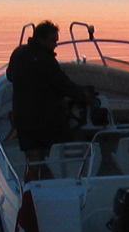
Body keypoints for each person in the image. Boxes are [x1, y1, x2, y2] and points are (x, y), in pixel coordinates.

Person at [6, 21, 93, 177]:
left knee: (33, 161)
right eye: (53, 41)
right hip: (46, 121)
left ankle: (29, 189)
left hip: (23, 118)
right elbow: (65, 86)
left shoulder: (18, 53)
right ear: (40, 40)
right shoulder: (47, 61)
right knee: (66, 149)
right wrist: (85, 97)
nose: (55, 45)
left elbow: (9, 76)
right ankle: (68, 182)